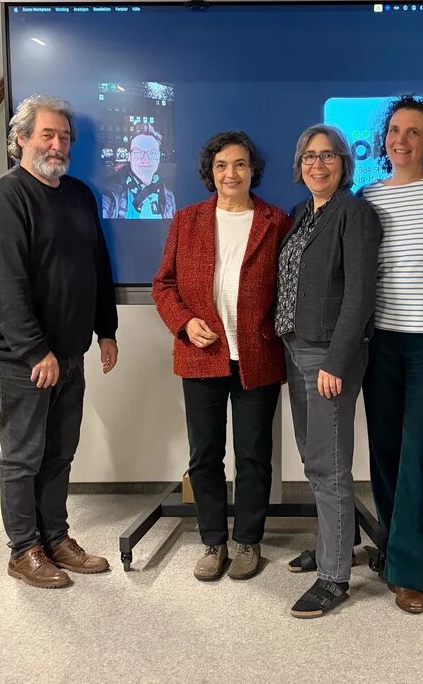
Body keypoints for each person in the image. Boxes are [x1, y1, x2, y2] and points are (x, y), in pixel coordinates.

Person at [0, 94, 119, 589]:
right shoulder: (5, 197)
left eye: (63, 137)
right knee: (23, 455)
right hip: (24, 359)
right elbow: (3, 285)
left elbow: (96, 267)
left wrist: (106, 329)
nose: (57, 144)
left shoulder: (78, 193)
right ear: (21, 139)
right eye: (47, 135)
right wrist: (36, 350)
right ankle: (23, 549)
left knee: (60, 451)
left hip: (71, 353)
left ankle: (55, 537)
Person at [153, 131, 290, 582]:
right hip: (201, 356)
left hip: (257, 355)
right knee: (204, 454)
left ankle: (247, 541)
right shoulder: (188, 220)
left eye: (239, 164)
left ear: (253, 170)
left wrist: (275, 327)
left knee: (253, 455)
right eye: (221, 166)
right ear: (210, 173)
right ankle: (213, 541)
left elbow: (291, 288)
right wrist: (185, 323)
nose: (231, 173)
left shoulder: (275, 220)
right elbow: (164, 284)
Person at [357, 96, 423, 614]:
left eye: (414, 132)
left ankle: (415, 571)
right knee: (384, 451)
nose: (401, 140)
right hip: (381, 341)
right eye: (395, 130)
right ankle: (394, 547)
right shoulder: (368, 196)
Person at [277, 124, 382, 618]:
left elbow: (361, 294)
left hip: (328, 357)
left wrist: (338, 361)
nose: (317, 165)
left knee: (328, 463)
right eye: (309, 157)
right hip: (296, 348)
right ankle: (333, 545)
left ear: (344, 163)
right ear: (299, 166)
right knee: (312, 455)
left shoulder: (354, 212)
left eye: (328, 156)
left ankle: (334, 576)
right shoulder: (302, 214)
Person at [101, 122, 176, 219]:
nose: (145, 159)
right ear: (129, 156)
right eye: (138, 152)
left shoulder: (169, 197)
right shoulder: (109, 196)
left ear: (158, 158)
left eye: (152, 153)